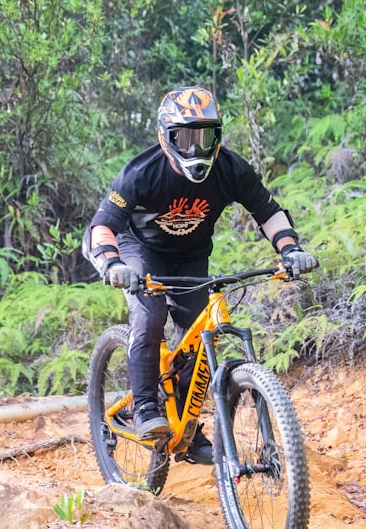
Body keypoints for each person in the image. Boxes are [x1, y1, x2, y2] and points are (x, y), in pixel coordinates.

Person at [82, 86, 317, 465]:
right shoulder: (142, 172)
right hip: (137, 249)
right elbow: (103, 224)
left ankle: (188, 432)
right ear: (165, 136)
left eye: (204, 137)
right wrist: (113, 265)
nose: (196, 148)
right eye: (185, 138)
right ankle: (144, 408)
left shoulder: (231, 169)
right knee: (151, 314)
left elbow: (267, 210)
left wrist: (290, 249)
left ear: (218, 138)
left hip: (191, 257)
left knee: (196, 335)